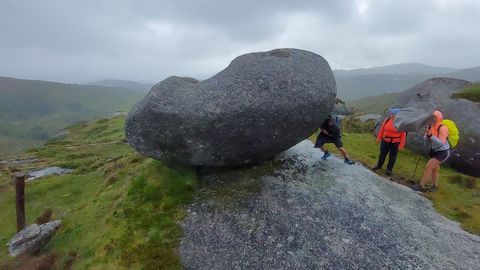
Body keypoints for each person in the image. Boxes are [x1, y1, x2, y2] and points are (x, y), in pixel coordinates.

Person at [412, 110, 451, 192]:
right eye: (431, 118)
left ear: (438, 118)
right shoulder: (430, 126)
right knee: (435, 169)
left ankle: (421, 185)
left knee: (429, 167)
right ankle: (435, 186)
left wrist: (431, 135)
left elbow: (441, 143)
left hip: (443, 152)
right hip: (433, 150)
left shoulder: (443, 128)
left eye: (433, 118)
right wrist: (426, 135)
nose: (431, 119)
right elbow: (426, 138)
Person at [372, 109, 407, 176]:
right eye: (392, 113)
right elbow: (382, 129)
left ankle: (389, 169)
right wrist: (378, 138)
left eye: (394, 114)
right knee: (382, 154)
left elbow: (403, 135)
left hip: (395, 142)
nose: (392, 115)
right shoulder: (387, 120)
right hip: (385, 140)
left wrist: (401, 145)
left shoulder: (401, 123)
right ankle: (379, 166)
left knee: (392, 156)